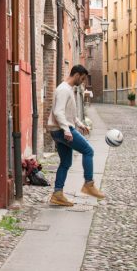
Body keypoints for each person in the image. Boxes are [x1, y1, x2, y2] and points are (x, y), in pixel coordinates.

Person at [47, 65, 104, 206]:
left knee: (66, 163)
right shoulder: (63, 90)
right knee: (88, 151)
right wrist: (67, 130)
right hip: (61, 130)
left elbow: (69, 114)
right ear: (77, 75)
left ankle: (57, 194)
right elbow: (58, 112)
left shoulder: (67, 89)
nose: (83, 82)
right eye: (83, 79)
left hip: (58, 129)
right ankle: (88, 184)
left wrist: (79, 124)